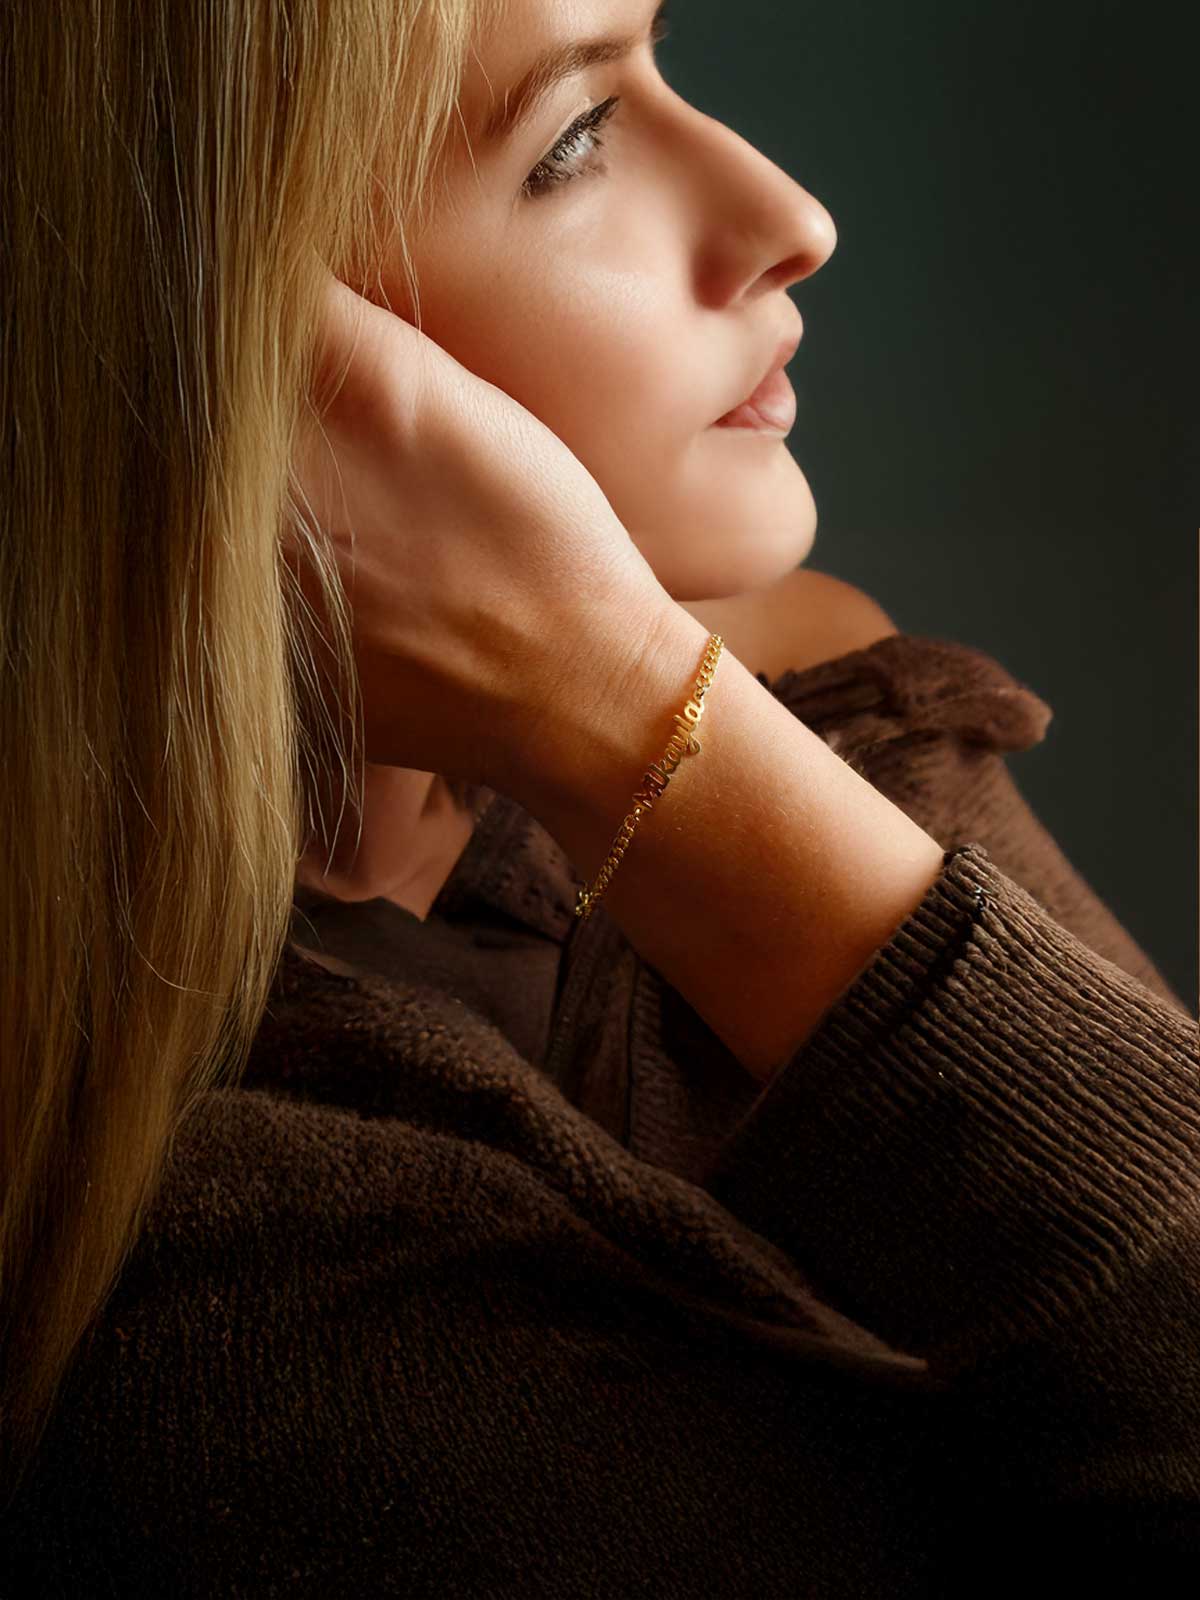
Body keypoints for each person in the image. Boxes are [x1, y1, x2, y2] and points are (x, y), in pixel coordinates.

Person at [1, 0, 1195, 1594]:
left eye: (663, 64)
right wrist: (612, 708)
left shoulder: (825, 719)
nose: (792, 217)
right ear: (207, 355)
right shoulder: (185, 1240)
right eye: (572, 141)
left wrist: (648, 720)